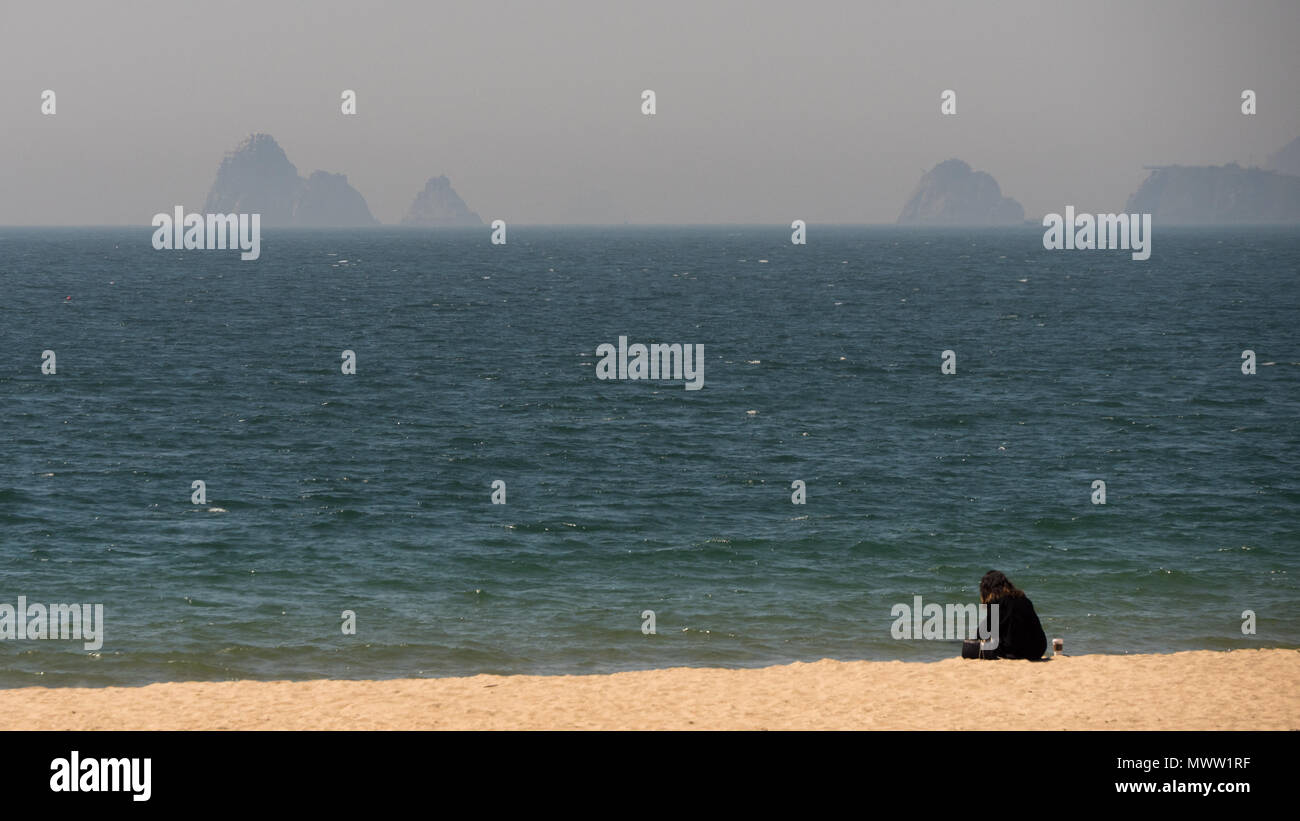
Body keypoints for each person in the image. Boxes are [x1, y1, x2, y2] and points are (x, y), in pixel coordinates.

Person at [961, 570, 1047, 660]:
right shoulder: (1023, 598)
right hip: (1038, 649)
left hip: (1017, 652)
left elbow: (982, 632)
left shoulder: (997, 602)